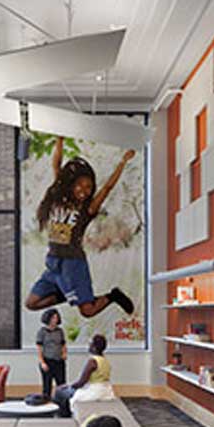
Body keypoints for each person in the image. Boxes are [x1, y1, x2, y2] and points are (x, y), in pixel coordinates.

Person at [25, 136, 136, 319]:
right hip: (53, 263)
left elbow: (107, 188)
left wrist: (123, 162)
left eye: (89, 187)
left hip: (72, 264)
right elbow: (56, 164)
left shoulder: (88, 209)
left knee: (88, 311)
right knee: (31, 303)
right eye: (80, 186)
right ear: (71, 183)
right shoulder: (58, 197)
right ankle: (65, 294)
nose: (84, 191)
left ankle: (113, 296)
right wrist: (59, 139)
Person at [53, 333, 111, 418]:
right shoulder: (105, 360)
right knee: (65, 391)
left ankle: (64, 417)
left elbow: (81, 382)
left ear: (94, 347)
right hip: (106, 390)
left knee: (59, 391)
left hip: (94, 392)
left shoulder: (92, 361)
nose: (88, 346)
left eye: (90, 344)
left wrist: (68, 386)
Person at [36, 308, 67, 400]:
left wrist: (64, 353)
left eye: (56, 318)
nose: (55, 320)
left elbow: (63, 344)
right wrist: (42, 362)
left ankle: (62, 405)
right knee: (47, 386)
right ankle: (46, 404)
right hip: (47, 360)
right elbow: (39, 348)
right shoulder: (42, 332)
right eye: (53, 318)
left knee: (61, 385)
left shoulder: (60, 331)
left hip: (59, 361)